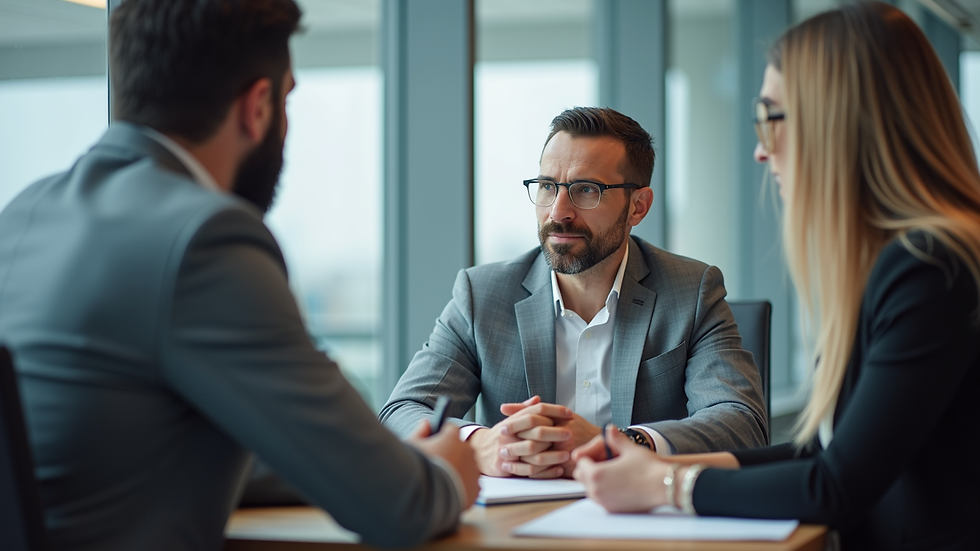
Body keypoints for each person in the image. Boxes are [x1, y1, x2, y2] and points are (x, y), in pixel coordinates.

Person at [0, 1, 479, 550]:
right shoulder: (203, 238)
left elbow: (137, 449)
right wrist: (442, 472)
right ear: (257, 107)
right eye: (286, 99)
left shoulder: (22, 213)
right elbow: (402, 508)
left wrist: (365, 464)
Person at [572, 3, 980, 550]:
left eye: (771, 118)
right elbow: (828, 453)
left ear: (836, 121)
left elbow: (836, 486)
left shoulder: (931, 266)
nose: (761, 152)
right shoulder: (909, 260)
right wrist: (657, 463)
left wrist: (665, 486)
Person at [380, 107, 768, 480]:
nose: (558, 212)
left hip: (641, 512)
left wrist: (620, 444)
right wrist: (480, 444)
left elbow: (742, 422)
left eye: (586, 190)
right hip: (517, 519)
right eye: (548, 187)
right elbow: (402, 410)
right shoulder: (481, 295)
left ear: (637, 207)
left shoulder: (692, 291)